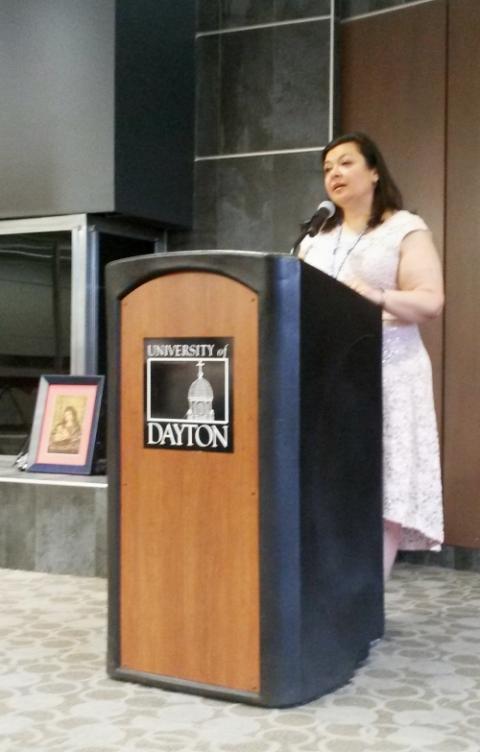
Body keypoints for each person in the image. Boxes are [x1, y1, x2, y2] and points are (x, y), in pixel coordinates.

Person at [298, 132, 444, 581]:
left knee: (386, 485)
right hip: (330, 376)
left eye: (345, 163)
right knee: (333, 487)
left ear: (374, 170)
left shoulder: (403, 228)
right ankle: (332, 596)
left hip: (391, 373)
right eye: (327, 169)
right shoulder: (314, 239)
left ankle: (368, 599)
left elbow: (430, 301)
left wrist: (376, 296)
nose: (334, 174)